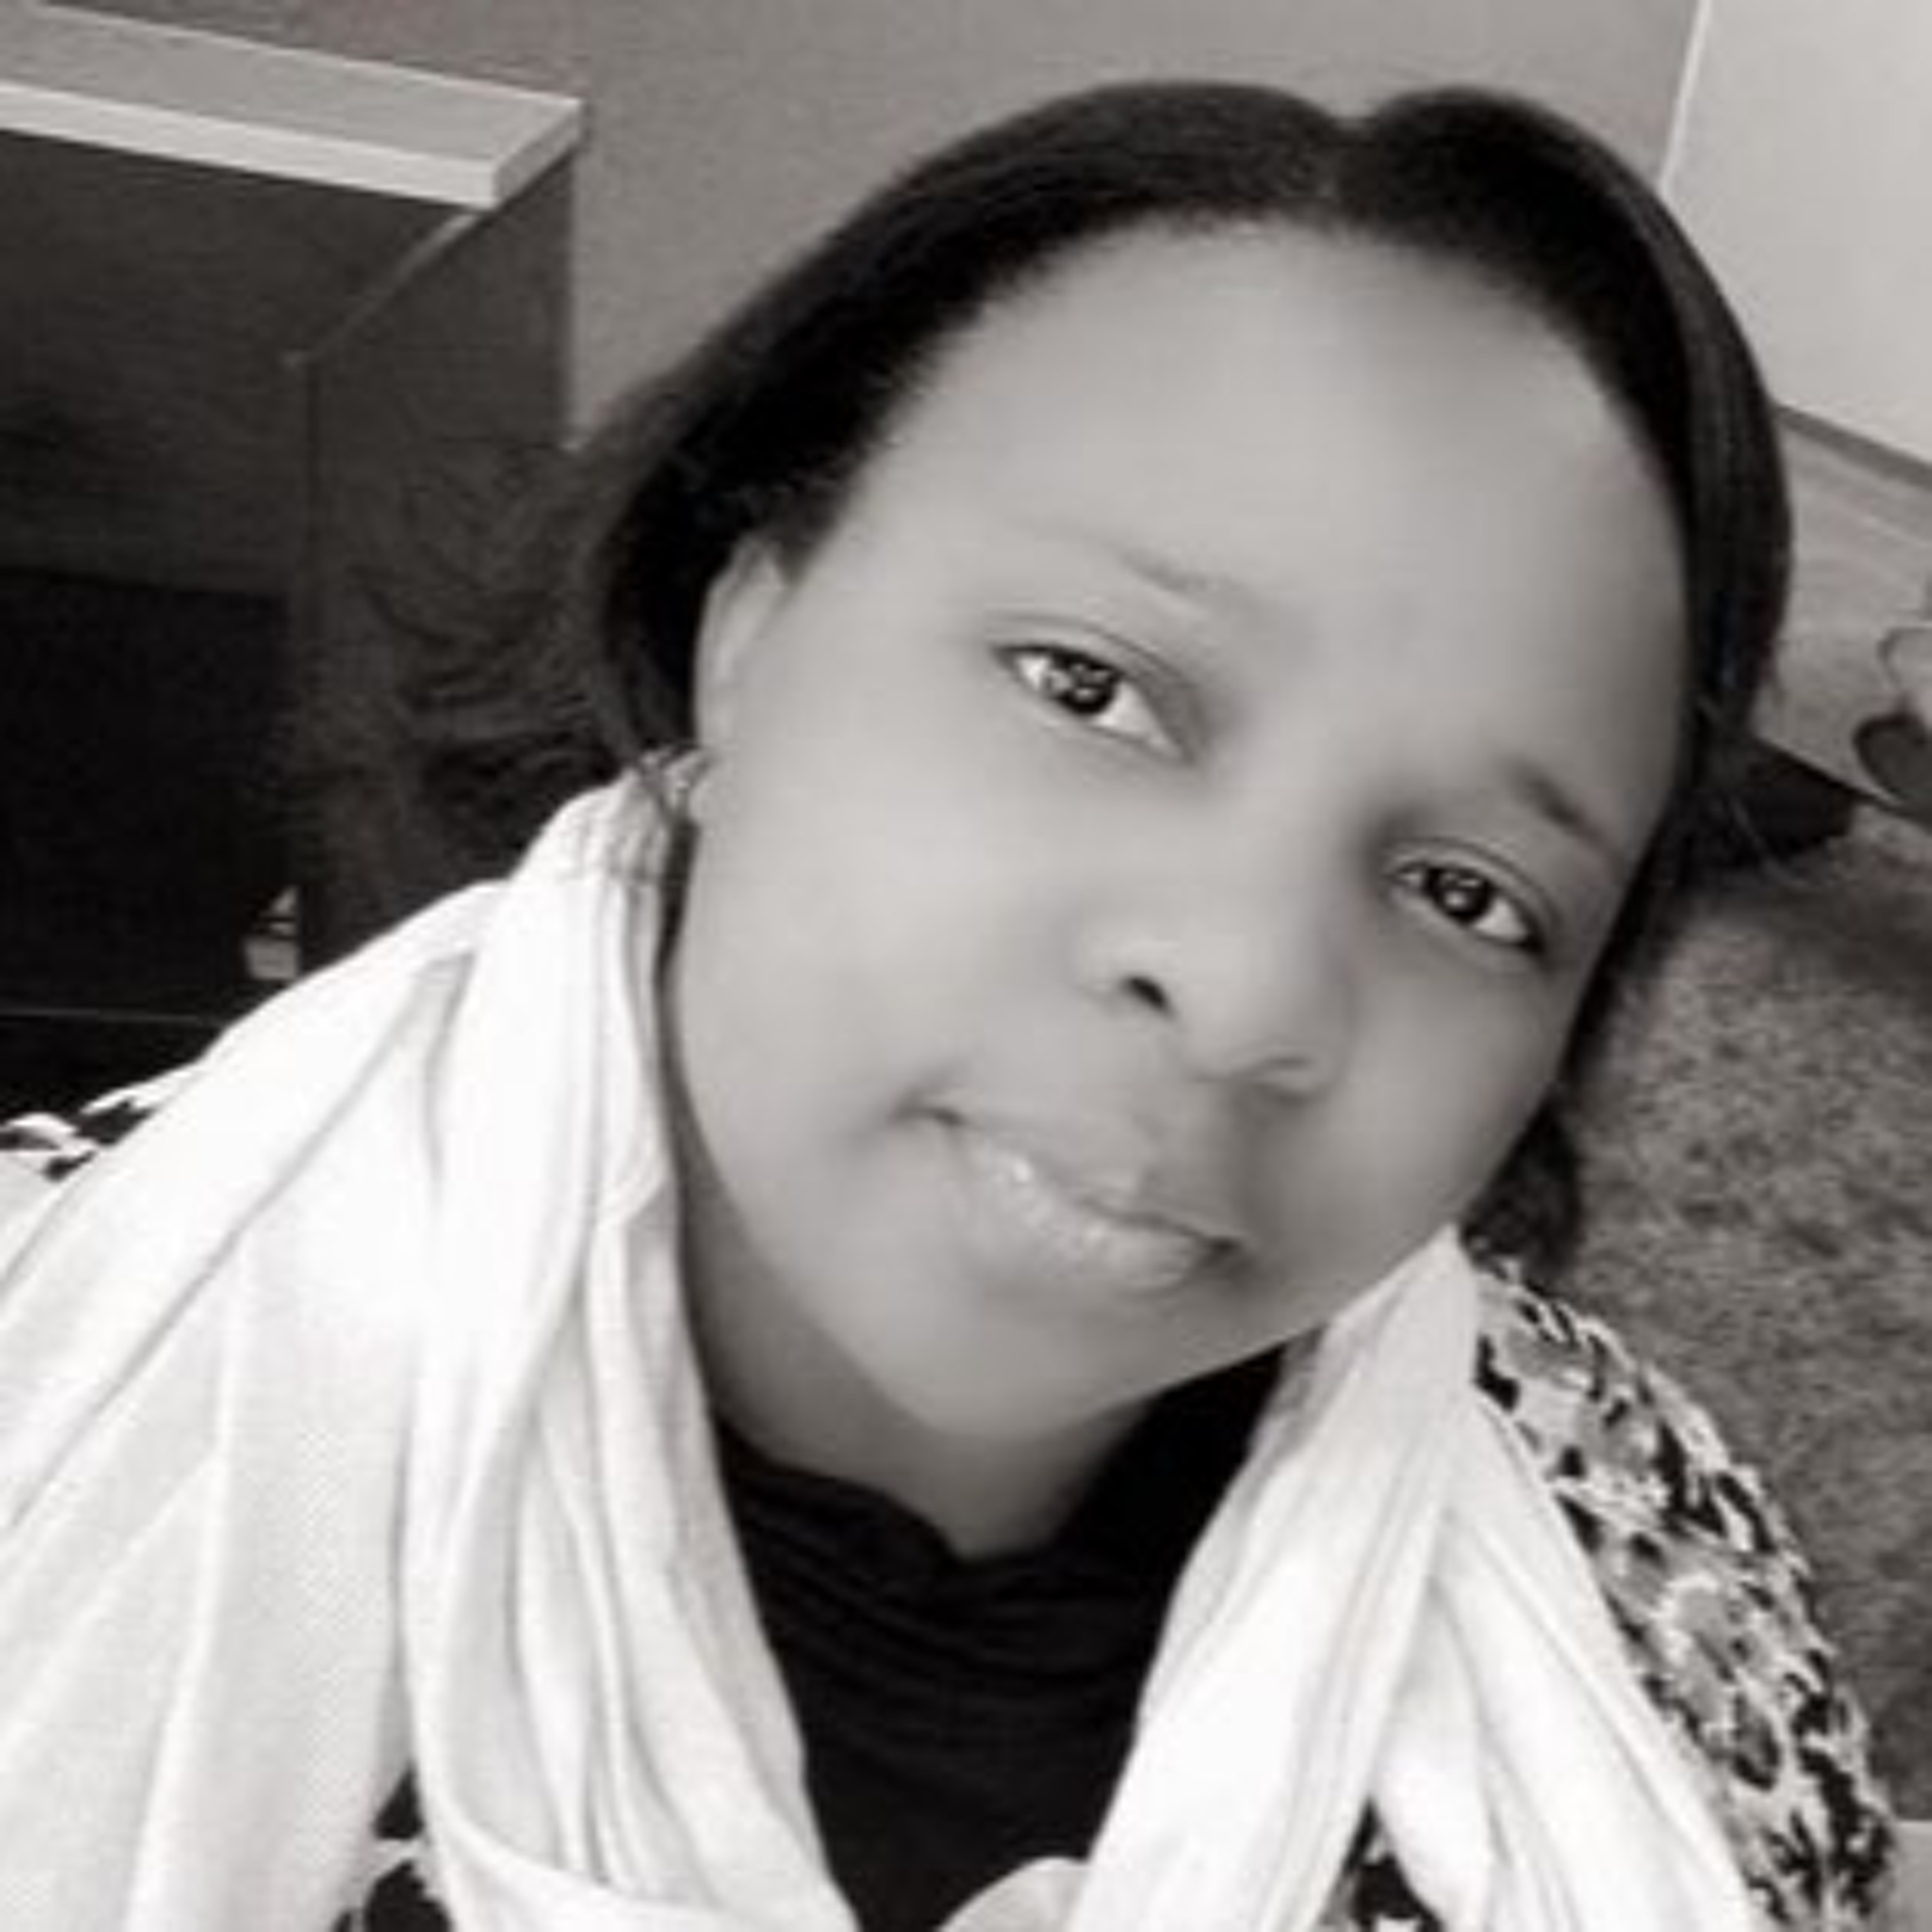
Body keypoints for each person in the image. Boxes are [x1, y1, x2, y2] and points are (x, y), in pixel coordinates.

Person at [0, 79, 1903, 1932]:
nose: (1246, 991)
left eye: (1469, 895)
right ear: (743, 623)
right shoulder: (63, 1377)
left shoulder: (1660, 1585)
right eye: (1091, 689)